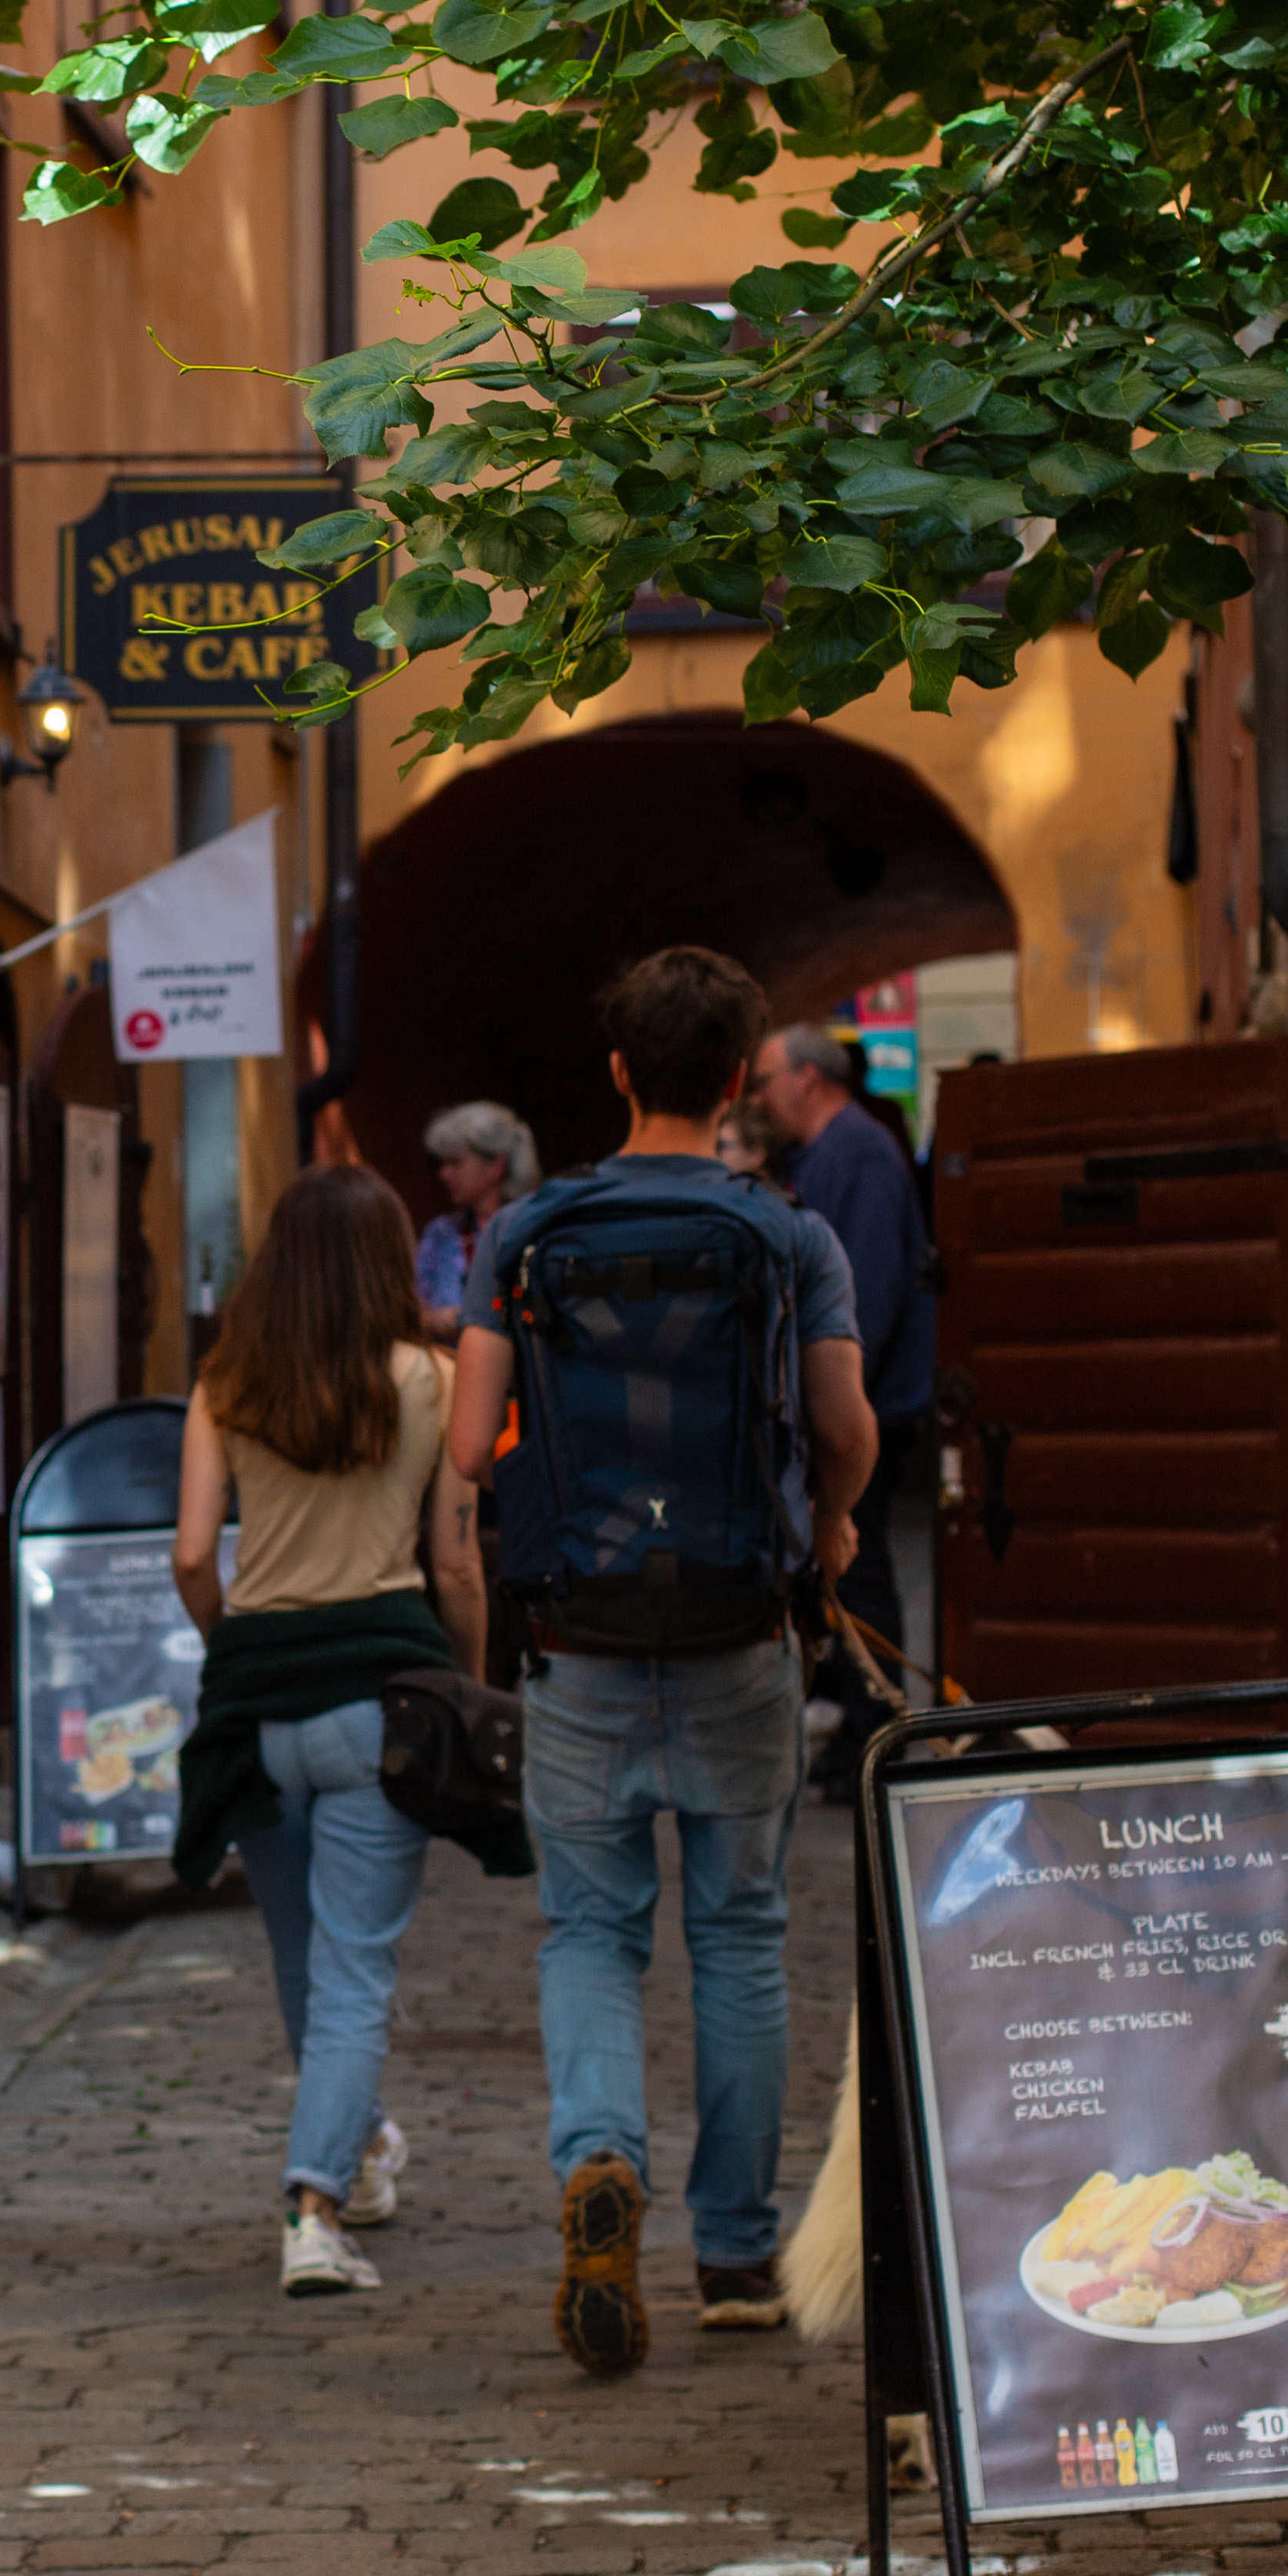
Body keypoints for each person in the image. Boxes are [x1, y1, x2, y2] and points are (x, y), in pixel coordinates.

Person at [447, 949, 876, 2374]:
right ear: (740, 1075)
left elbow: (463, 1447)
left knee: (587, 1931)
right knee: (739, 1930)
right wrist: (831, 1524)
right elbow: (842, 1423)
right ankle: (737, 2253)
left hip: (574, 1636)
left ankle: (597, 2158)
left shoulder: (522, 1232)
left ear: (617, 1072)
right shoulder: (785, 1233)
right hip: (738, 1631)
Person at [169, 1169, 490, 2300]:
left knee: (304, 1960)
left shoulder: (227, 1384)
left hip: (257, 1707)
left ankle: (356, 2147)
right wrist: (469, 1685)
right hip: (376, 1702)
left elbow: (192, 1555)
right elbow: (455, 1561)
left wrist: (232, 1644)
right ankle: (314, 2208)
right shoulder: (435, 1380)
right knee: (355, 1972)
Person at [748, 1023, 938, 1768]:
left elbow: (867, 1293)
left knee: (859, 1564)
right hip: (860, 1394)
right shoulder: (835, 1152)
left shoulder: (855, 1153)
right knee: (849, 1562)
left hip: (868, 1399)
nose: (759, 1098)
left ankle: (877, 1737)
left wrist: (834, 1395)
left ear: (807, 1077)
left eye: (765, 1081)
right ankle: (863, 1726)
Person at [414, 1101, 542, 1343]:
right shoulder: (440, 1234)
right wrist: (435, 1321)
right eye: (442, 1163)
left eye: (456, 1163)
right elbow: (411, 1316)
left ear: (496, 1166)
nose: (444, 1174)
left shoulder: (533, 1228)